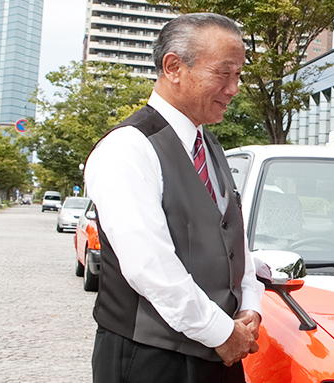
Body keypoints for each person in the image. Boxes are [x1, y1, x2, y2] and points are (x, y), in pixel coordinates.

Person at [85, 13, 264, 383]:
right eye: (224, 73)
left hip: (222, 353)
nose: (234, 88)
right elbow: (149, 266)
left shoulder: (209, 144)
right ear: (174, 67)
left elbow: (234, 241)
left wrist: (250, 306)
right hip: (152, 359)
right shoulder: (128, 147)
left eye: (239, 75)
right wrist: (222, 332)